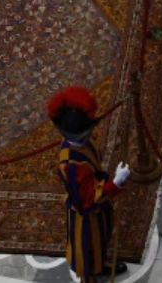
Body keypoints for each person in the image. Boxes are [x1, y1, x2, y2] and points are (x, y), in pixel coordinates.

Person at [48, 86, 130, 282]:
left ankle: (100, 266)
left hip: (97, 210)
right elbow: (88, 200)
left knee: (100, 243)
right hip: (86, 216)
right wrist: (117, 182)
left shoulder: (78, 143)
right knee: (86, 254)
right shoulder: (72, 166)